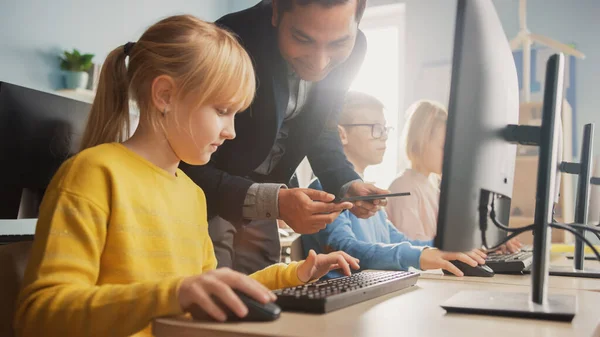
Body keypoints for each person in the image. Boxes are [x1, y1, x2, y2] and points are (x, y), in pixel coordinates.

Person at [13, 15, 359, 337]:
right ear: (165, 95)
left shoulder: (191, 194)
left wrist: (294, 275)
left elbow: (211, 288)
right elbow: (40, 314)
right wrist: (176, 293)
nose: (232, 132)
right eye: (223, 111)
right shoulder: (94, 174)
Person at [180, 0, 390, 275]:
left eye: (338, 44)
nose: (320, 62)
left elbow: (321, 126)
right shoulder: (233, 37)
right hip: (208, 191)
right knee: (216, 297)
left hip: (270, 198)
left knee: (264, 297)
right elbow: (191, 159)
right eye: (302, 39)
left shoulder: (355, 50)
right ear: (276, 11)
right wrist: (274, 201)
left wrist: (346, 182)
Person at [301, 92, 486, 277]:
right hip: (341, 298)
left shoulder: (368, 192)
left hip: (368, 292)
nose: (384, 136)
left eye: (384, 129)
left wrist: (452, 249)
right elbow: (347, 250)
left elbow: (396, 240)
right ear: (341, 134)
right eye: (375, 128)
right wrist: (419, 256)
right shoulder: (324, 191)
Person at [386, 100, 521, 252]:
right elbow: (417, 249)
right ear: (420, 142)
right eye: (444, 147)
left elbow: (448, 241)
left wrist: (489, 244)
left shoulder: (432, 188)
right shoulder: (404, 188)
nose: (451, 155)